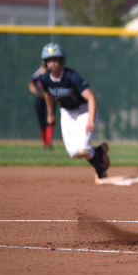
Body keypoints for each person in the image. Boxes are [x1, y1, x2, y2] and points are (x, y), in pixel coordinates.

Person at [38, 43, 111, 180]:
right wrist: (51, 114)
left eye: (56, 59)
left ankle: (101, 172)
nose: (53, 63)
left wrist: (90, 120)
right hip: (67, 112)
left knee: (84, 147)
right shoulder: (45, 79)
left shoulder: (72, 77)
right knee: (74, 152)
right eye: (49, 60)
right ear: (45, 63)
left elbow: (91, 98)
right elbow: (48, 94)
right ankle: (101, 150)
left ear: (62, 60)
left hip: (84, 110)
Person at [28, 64, 55, 149]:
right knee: (41, 121)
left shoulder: (52, 74)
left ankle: (48, 143)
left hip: (50, 100)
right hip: (39, 99)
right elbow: (31, 84)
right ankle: (44, 143)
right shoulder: (37, 74)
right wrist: (36, 92)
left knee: (49, 120)